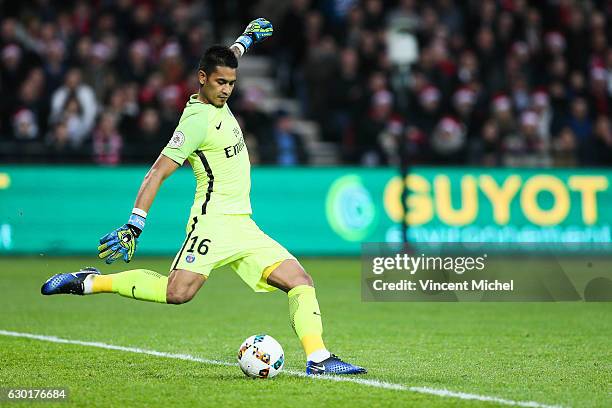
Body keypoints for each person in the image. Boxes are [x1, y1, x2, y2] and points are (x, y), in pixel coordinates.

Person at [40, 18, 366, 376]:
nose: (227, 89)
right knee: (177, 293)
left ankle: (318, 359)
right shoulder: (195, 121)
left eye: (232, 83)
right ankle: (90, 281)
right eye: (220, 82)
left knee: (300, 282)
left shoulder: (218, 91)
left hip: (242, 224)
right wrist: (135, 225)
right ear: (202, 78)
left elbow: (230, 55)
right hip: (212, 222)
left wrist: (246, 38)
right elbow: (157, 172)